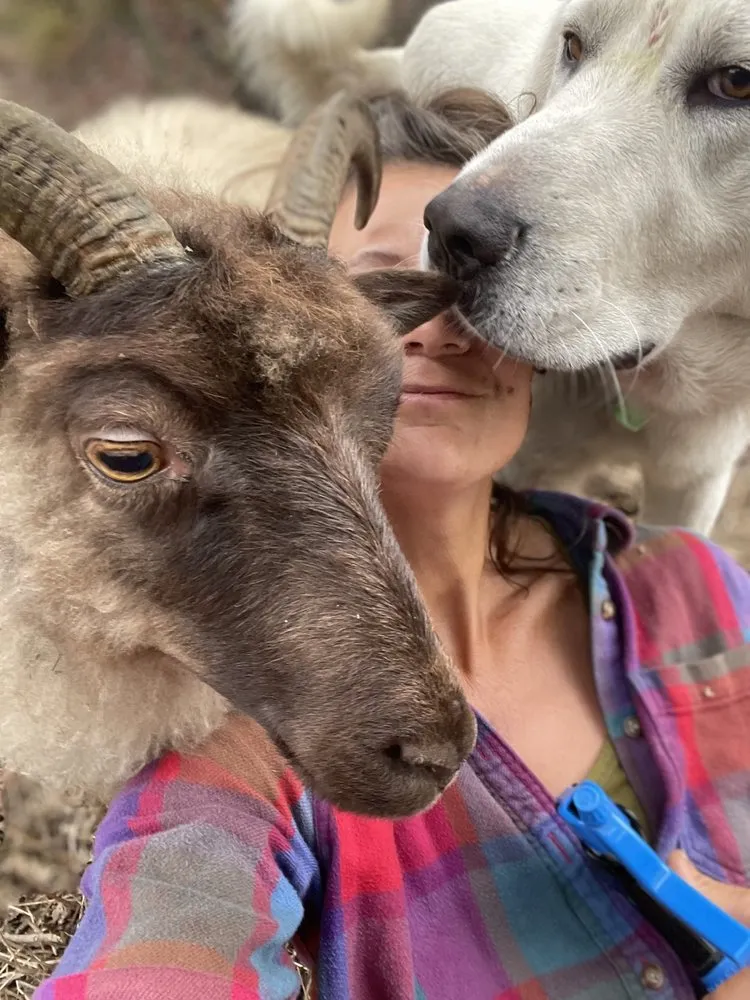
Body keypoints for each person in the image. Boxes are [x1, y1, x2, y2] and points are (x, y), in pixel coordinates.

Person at [36, 89, 750, 1000]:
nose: (434, 330)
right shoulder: (250, 740)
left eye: (474, 289)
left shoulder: (694, 586)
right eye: (363, 297)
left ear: (536, 340)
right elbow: (166, 942)